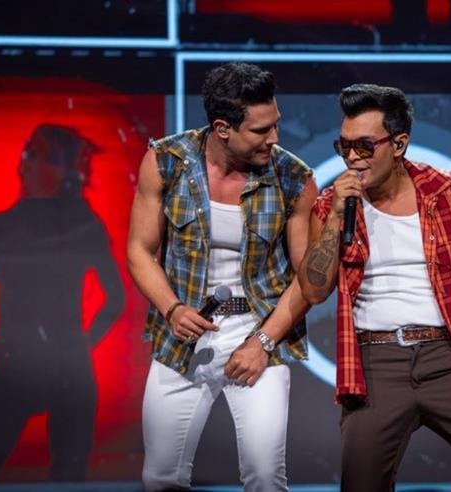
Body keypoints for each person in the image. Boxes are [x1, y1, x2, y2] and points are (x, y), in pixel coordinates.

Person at [298, 84, 451, 491]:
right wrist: (335, 217)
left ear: (399, 144)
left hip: (448, 357)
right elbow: (315, 292)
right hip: (375, 366)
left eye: (364, 146)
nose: (352, 157)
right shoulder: (332, 204)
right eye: (344, 146)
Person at [126, 62, 316, 491]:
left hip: (258, 332)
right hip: (183, 333)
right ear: (222, 128)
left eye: (276, 124)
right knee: (161, 476)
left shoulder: (293, 177)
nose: (274, 138)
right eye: (261, 130)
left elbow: (308, 280)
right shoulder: (167, 162)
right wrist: (172, 309)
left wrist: (262, 342)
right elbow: (139, 250)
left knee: (265, 476)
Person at [0, 124, 125, 482]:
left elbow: (115, 300)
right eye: (31, 153)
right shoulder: (78, 227)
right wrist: (79, 347)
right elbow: (115, 301)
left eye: (42, 157)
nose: (30, 162)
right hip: (48, 366)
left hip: (35, 365)